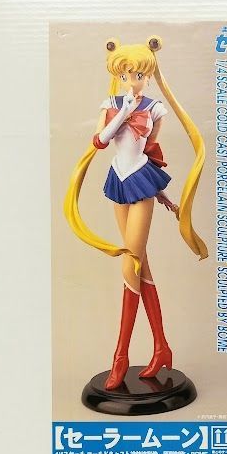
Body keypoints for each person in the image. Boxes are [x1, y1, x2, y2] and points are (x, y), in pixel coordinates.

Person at [64, 35, 208, 390]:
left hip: (141, 182)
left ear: (149, 74)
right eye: (126, 74)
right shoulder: (110, 104)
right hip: (118, 180)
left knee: (131, 262)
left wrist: (163, 195)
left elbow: (149, 152)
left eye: (139, 74)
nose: (132, 80)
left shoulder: (156, 109)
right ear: (119, 74)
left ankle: (121, 356)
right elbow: (100, 142)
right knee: (140, 265)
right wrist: (124, 113)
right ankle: (162, 347)